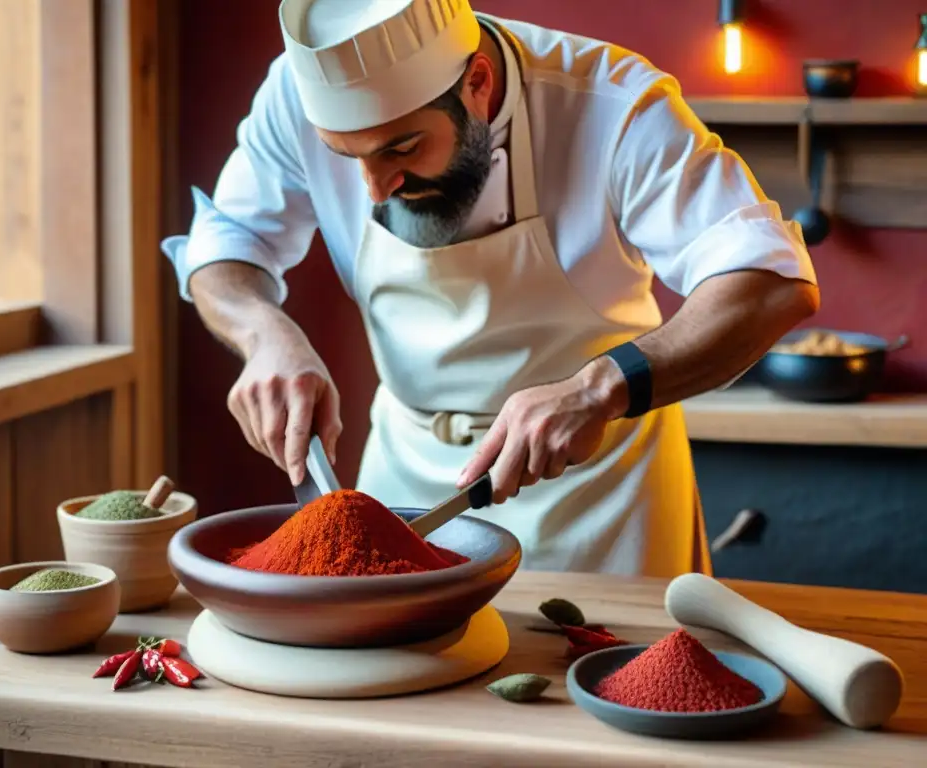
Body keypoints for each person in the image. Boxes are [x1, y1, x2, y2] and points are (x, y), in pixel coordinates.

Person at [161, 0, 819, 577]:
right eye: (346, 157)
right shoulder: (292, 98)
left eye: (402, 148)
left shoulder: (613, 105)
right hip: (406, 479)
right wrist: (265, 335)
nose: (373, 189)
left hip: (599, 495)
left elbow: (769, 281)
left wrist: (599, 389)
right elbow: (226, 244)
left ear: (476, 81)